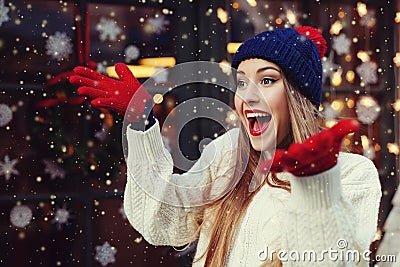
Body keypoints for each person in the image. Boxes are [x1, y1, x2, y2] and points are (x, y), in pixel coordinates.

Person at [70, 26, 382, 266]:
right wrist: (140, 123)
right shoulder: (229, 154)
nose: (248, 96)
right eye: (241, 82)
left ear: (298, 96)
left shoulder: (352, 174)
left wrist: (316, 186)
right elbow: (164, 220)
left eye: (267, 80)